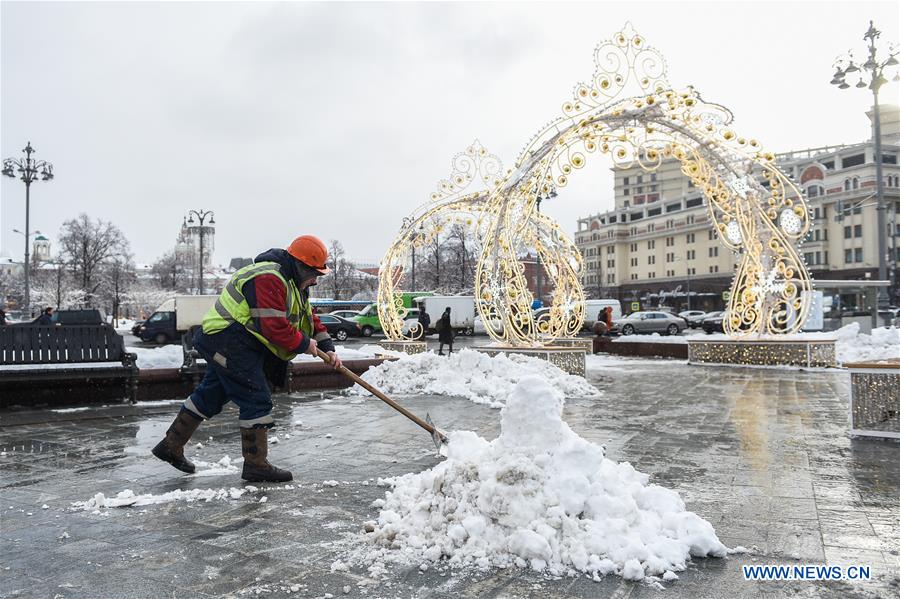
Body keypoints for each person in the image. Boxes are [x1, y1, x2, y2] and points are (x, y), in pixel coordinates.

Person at [152, 235, 343, 483]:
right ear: (300, 265)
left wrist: (328, 347)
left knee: (212, 394)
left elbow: (308, 317)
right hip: (227, 337)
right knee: (255, 396)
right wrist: (306, 345)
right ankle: (256, 464)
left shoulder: (294, 284)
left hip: (239, 342)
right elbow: (272, 325)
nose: (316, 279)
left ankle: (170, 445)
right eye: (314, 272)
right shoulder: (269, 277)